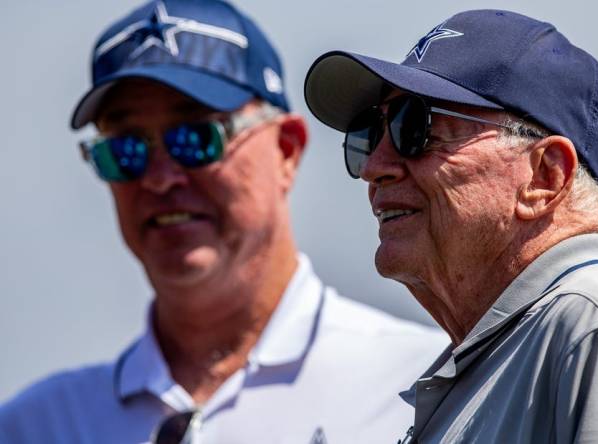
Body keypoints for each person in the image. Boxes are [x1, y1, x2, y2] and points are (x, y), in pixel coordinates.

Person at [0, 0, 447, 442]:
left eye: (196, 138)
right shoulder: (37, 426)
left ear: (285, 151)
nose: (160, 179)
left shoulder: (420, 389)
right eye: (125, 149)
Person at [304, 9, 598, 444]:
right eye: (370, 134)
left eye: (415, 126)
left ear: (545, 177)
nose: (375, 167)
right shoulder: (511, 354)